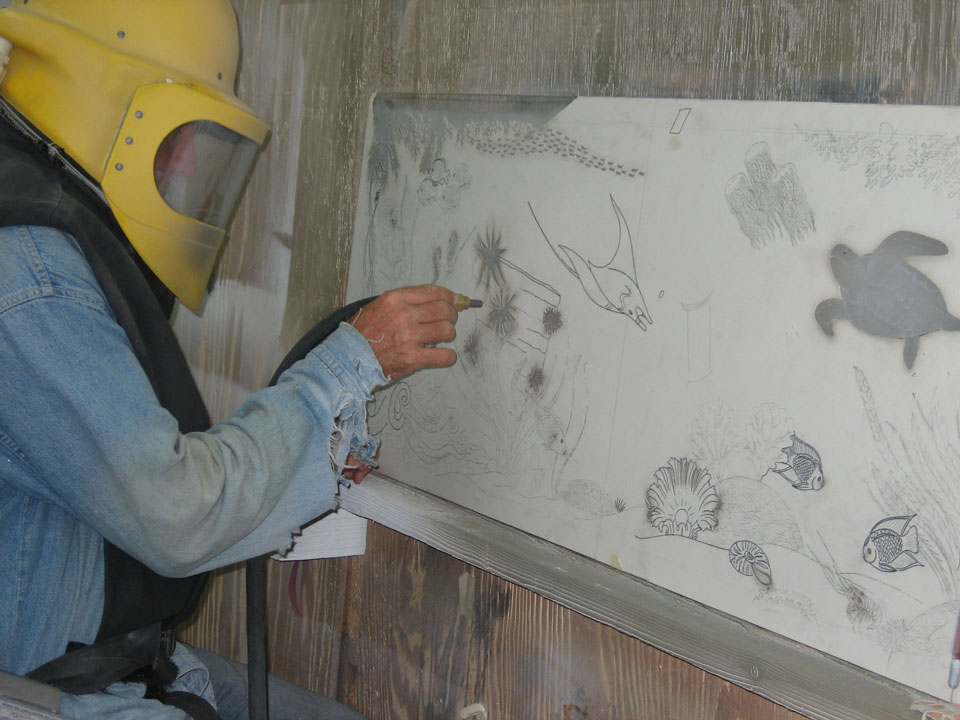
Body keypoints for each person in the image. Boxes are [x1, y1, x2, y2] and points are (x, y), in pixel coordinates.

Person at [0, 2, 458, 718]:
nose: (186, 164)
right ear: (99, 99)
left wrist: (316, 451)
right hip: (43, 688)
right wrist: (347, 368)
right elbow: (177, 518)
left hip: (102, 654)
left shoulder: (36, 216)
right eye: (177, 134)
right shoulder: (29, 277)